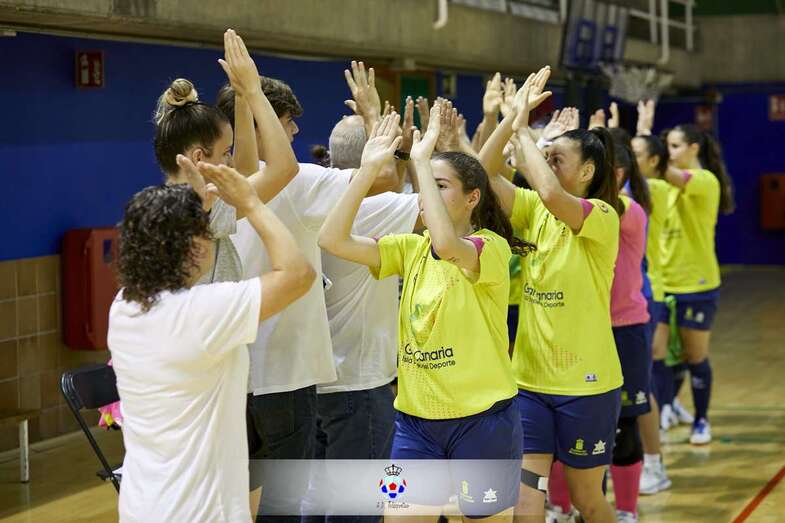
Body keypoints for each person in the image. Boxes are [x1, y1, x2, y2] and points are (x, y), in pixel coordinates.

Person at [215, 60, 401, 520]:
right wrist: (377, 127)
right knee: (288, 502)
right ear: (263, 123)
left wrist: (244, 97)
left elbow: (250, 159)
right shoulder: (298, 180)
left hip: (235, 374)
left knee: (245, 498)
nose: (296, 129)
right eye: (285, 120)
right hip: (288, 371)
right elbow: (383, 182)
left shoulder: (216, 186)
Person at [319, 108, 523, 521]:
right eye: (425, 184)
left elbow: (448, 244)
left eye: (439, 185)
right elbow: (331, 238)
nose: (424, 192)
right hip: (414, 425)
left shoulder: (491, 249)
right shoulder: (409, 248)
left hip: (482, 423)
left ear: (472, 198)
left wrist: (420, 161)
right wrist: (367, 170)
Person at [109, 162, 315, 523]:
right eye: (203, 230)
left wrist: (191, 205)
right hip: (199, 513)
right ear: (192, 246)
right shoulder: (204, 313)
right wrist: (251, 204)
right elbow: (298, 274)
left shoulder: (125, 305)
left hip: (142, 506)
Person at [479, 69, 623, 523]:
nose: (546, 162)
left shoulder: (601, 215)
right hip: (530, 387)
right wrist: (509, 118)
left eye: (556, 157)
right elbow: (482, 171)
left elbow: (547, 189)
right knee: (524, 502)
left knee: (587, 500)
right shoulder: (534, 211)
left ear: (587, 171)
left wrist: (524, 131)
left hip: (588, 388)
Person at [306, 111, 421, 523]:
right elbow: (443, 210)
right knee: (359, 509)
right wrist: (414, 152)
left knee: (316, 501)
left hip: (314, 379)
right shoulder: (375, 209)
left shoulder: (310, 195)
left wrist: (395, 151)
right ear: (377, 159)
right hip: (360, 382)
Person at [655, 123, 735, 445]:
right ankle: (667, 405)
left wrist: (647, 150)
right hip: (663, 282)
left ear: (693, 148)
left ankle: (701, 420)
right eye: (666, 147)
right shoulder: (662, 185)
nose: (669, 153)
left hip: (697, 284)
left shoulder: (704, 180)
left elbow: (672, 174)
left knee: (694, 357)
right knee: (661, 354)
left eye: (674, 147)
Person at [631, 129, 673, 494]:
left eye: (637, 152)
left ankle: (655, 463)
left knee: (642, 385)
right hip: (624, 297)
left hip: (645, 293)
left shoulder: (651, 190)